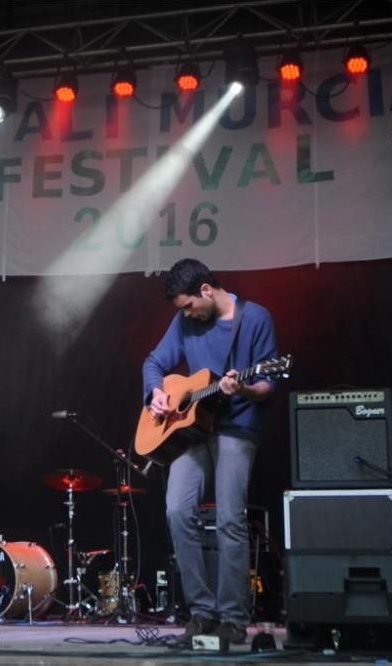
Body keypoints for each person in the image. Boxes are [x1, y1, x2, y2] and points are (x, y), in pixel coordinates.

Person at [142, 258, 278, 647]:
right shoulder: (185, 321)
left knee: (230, 519)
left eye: (188, 306)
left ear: (206, 290)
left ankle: (233, 618)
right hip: (193, 431)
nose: (186, 315)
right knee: (176, 510)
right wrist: (157, 393)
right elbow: (155, 362)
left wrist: (246, 389)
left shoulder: (255, 319)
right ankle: (202, 613)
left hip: (236, 426)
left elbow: (268, 383)